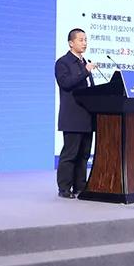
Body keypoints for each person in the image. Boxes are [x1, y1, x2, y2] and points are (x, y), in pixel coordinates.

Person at [55, 28, 96, 198]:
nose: (84, 43)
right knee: (70, 154)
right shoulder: (63, 62)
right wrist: (85, 71)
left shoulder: (84, 62)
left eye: (86, 40)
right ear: (71, 43)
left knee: (84, 154)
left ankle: (80, 186)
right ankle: (64, 188)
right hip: (72, 116)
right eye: (81, 40)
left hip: (87, 116)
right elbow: (66, 83)